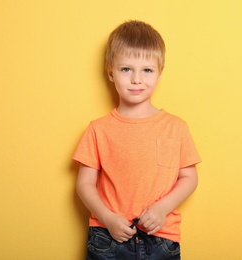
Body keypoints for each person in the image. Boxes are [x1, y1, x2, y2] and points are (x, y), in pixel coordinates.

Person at [73, 20, 201, 260]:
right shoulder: (98, 129)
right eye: (126, 69)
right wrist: (108, 218)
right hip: (107, 237)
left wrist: (162, 208)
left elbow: (189, 178)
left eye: (147, 70)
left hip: (161, 236)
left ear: (159, 73)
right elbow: (84, 184)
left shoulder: (176, 127)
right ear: (111, 72)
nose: (136, 79)